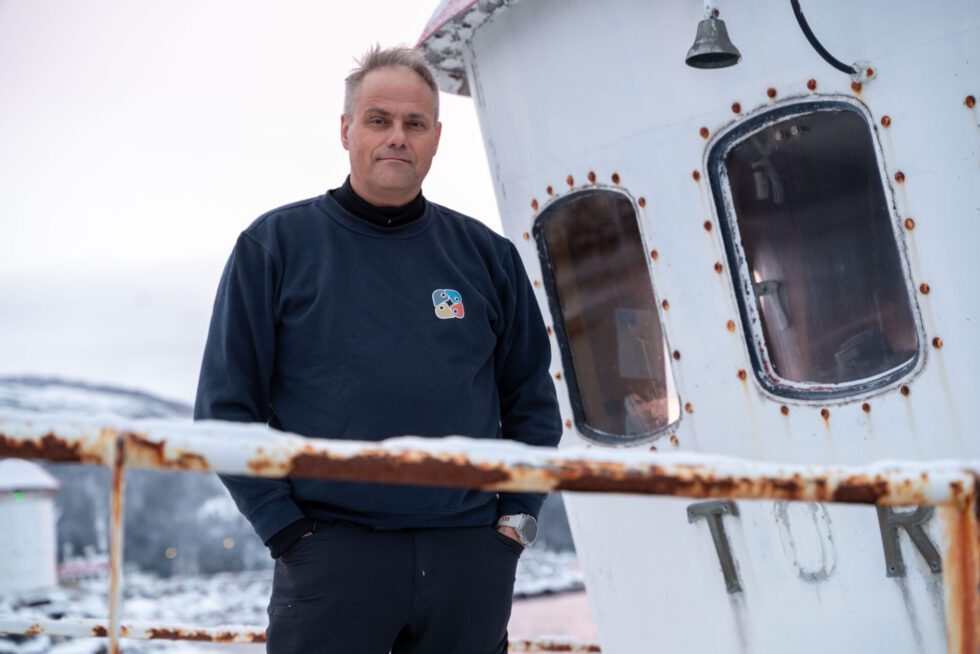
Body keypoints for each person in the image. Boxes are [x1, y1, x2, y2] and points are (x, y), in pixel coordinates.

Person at [194, 45, 561, 654]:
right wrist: (285, 531)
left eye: (414, 123)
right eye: (378, 120)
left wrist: (515, 522)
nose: (397, 137)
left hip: (469, 558)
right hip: (331, 557)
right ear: (346, 131)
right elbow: (225, 410)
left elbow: (532, 403)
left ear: (436, 137)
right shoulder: (275, 247)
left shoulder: (486, 257)